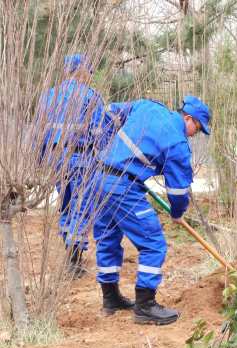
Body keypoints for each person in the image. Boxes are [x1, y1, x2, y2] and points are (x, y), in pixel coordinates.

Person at [93, 95, 211, 325]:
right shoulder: (177, 142)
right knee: (153, 242)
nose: (194, 134)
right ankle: (145, 305)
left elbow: (109, 112)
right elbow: (178, 191)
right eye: (196, 128)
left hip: (99, 177)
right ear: (188, 118)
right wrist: (177, 213)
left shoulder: (148, 106)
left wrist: (105, 146)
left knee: (108, 237)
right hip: (123, 187)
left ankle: (110, 299)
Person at [37, 54, 108, 278]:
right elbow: (100, 134)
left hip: (56, 159)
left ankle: (70, 252)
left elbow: (39, 133)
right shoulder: (91, 97)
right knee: (80, 207)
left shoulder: (49, 96)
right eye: (88, 71)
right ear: (80, 71)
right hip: (82, 159)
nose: (90, 76)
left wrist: (39, 161)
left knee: (66, 205)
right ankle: (74, 261)